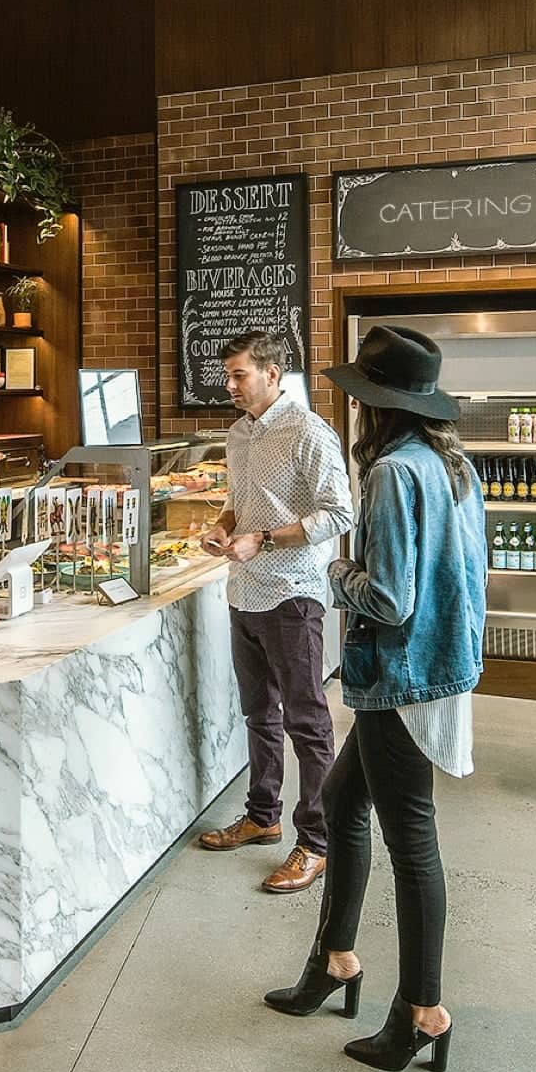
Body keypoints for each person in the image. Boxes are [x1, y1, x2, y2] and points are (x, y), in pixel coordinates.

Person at [263, 325, 487, 1072]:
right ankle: (334, 960)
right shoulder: (452, 466)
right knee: (337, 801)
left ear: (375, 406)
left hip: (400, 675)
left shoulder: (393, 474)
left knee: (412, 844)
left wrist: (335, 573)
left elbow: (388, 599)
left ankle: (423, 1010)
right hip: (438, 667)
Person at [199, 331, 353, 892]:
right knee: (259, 715)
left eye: (239, 375)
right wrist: (223, 525)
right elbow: (238, 500)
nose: (230, 385)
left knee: (307, 723)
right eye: (228, 375)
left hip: (292, 595)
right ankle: (263, 816)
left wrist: (261, 538)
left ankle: (317, 842)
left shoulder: (309, 431)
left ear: (272, 373)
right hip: (243, 591)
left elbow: (339, 514)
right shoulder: (238, 434)